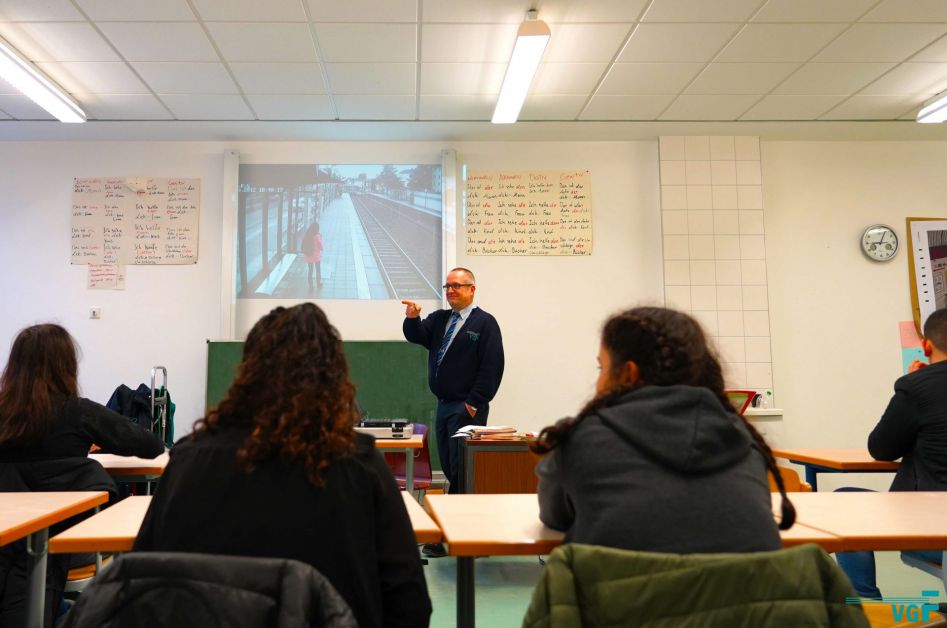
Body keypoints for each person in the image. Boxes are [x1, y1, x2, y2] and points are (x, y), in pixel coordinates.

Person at [133, 303, 431, 628]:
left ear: (246, 372)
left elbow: (141, 580)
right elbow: (409, 603)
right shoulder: (359, 462)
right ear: (332, 378)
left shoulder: (188, 460)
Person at [530, 306, 792, 554]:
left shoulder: (582, 438)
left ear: (628, 374)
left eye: (602, 368)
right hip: (750, 599)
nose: (598, 381)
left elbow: (555, 516)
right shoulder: (742, 439)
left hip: (623, 601)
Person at [0, 323, 165, 628]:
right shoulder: (77, 412)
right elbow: (151, 446)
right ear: (65, 366)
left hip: (6, 538)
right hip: (68, 543)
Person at [836, 307, 947, 598]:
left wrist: (910, 389)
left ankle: (866, 606)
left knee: (845, 502)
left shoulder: (917, 388)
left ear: (925, 345)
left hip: (933, 530)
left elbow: (881, 448)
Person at [402, 267, 504, 557]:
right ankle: (464, 533)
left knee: (461, 472)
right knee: (449, 466)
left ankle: (452, 536)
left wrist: (473, 403)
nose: (451, 291)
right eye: (447, 286)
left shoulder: (485, 323)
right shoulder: (440, 319)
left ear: (472, 289)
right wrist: (411, 318)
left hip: (467, 408)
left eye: (457, 286)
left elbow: (492, 367)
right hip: (444, 405)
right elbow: (417, 335)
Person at [301, 221, 324, 289]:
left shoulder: (307, 233)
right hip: (316, 256)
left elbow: (303, 243)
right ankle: (318, 283)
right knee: (318, 270)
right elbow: (321, 246)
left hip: (308, 255)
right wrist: (321, 238)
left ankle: (311, 286)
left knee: (310, 270)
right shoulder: (317, 236)